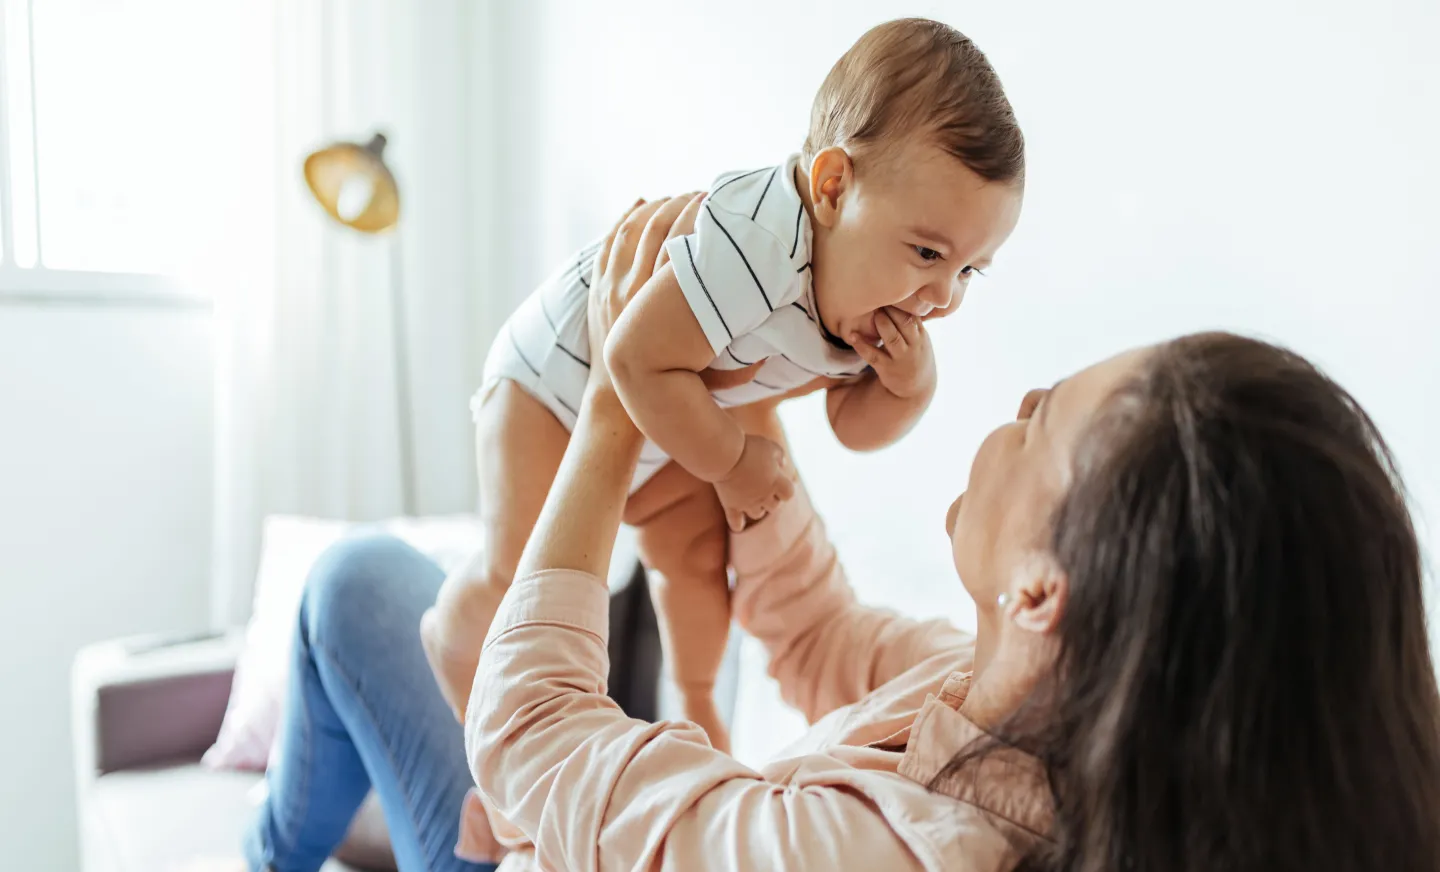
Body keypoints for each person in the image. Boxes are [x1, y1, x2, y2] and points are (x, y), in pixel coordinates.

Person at [461, 198, 1440, 870]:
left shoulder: (898, 848)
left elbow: (532, 730)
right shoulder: (1012, 713)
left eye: (1044, 412)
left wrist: (613, 404)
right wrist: (738, 397)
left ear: (1042, 587)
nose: (1016, 398)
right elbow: (820, 636)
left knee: (355, 590)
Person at [421, 17, 1024, 750]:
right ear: (832, 188)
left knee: (697, 565)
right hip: (552, 387)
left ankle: (699, 705)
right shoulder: (758, 244)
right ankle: (455, 674)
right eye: (928, 251)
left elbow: (850, 427)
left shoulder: (871, 291)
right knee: (523, 583)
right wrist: (734, 464)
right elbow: (634, 358)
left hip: (672, 417)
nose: (942, 296)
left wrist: (908, 389)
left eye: (968, 270)